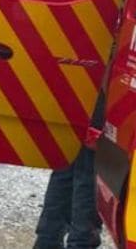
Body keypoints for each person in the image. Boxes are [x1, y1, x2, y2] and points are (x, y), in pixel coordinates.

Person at [34, 91, 106, 248]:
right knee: (89, 175)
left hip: (77, 94)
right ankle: (80, 243)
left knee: (67, 166)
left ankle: (47, 240)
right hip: (103, 96)